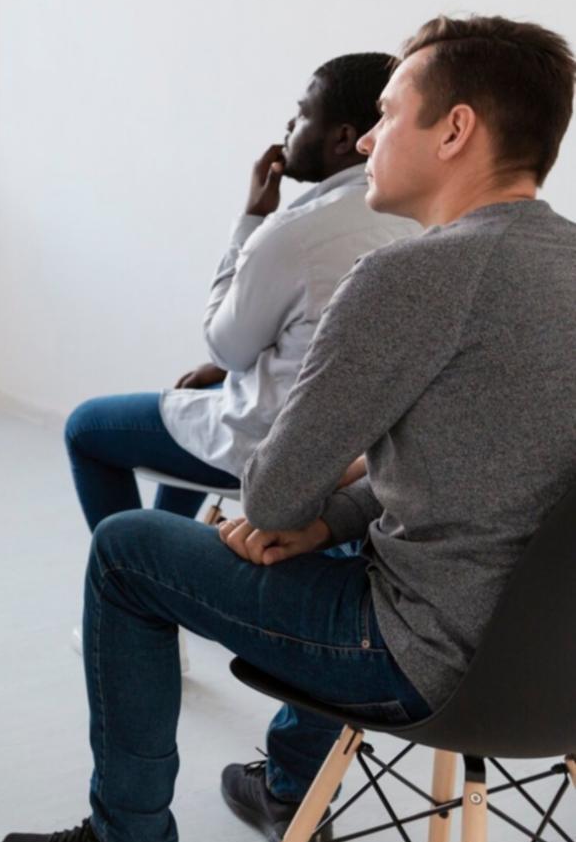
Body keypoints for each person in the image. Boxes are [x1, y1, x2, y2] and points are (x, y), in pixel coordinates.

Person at [3, 14, 576, 842]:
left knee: (127, 551)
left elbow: (269, 494)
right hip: (552, 672)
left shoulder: (409, 277)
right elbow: (489, 466)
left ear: (455, 130)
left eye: (388, 112)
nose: (371, 136)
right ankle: (284, 778)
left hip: (416, 657)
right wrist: (332, 517)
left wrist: (301, 511)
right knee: (330, 539)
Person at [65, 54, 414, 529]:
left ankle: (134, 565)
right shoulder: (416, 218)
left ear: (346, 138)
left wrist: (251, 218)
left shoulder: (297, 233)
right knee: (201, 388)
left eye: (302, 111)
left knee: (86, 427)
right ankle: (173, 548)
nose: (290, 124)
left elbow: (225, 346)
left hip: (274, 447)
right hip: (358, 446)